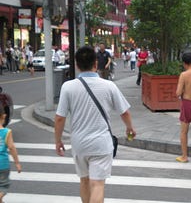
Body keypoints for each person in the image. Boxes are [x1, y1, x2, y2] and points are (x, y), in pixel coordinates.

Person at [55, 46, 136, 203]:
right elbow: (124, 112)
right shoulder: (109, 86)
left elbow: (59, 118)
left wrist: (58, 141)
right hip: (101, 142)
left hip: (79, 143)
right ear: (96, 63)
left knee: (84, 181)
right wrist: (129, 128)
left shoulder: (68, 87)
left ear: (77, 65)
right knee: (97, 184)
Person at [0, 104, 22, 203]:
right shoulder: (6, 132)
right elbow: (11, 148)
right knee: (3, 186)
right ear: (4, 116)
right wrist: (17, 163)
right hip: (3, 165)